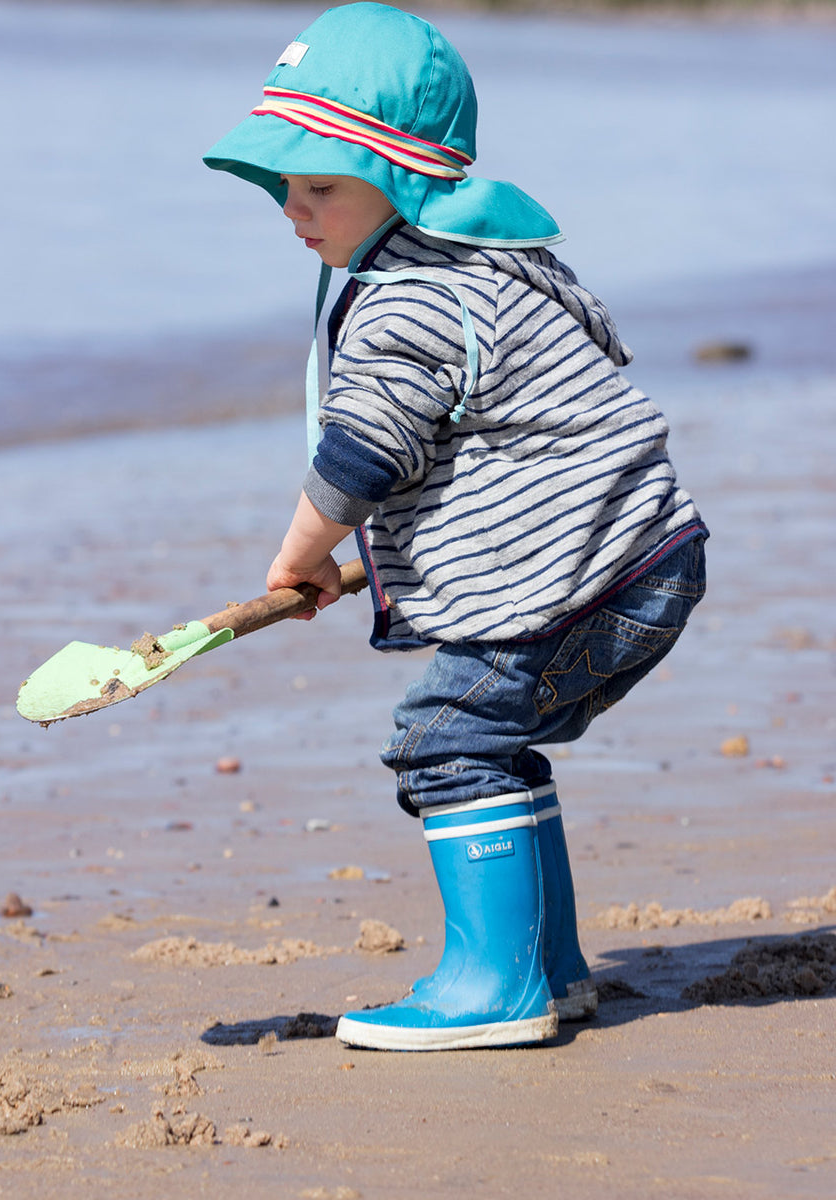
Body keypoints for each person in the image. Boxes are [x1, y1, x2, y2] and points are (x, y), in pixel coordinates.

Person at [204, 2, 707, 1051]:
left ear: (404, 176)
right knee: (494, 738)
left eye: (323, 187)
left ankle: (497, 988)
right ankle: (549, 970)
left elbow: (365, 453)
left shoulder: (412, 299)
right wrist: (354, 570)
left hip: (583, 569)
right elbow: (466, 446)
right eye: (286, 189)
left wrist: (300, 556)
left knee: (446, 740)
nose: (296, 212)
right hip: (638, 557)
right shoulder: (487, 267)